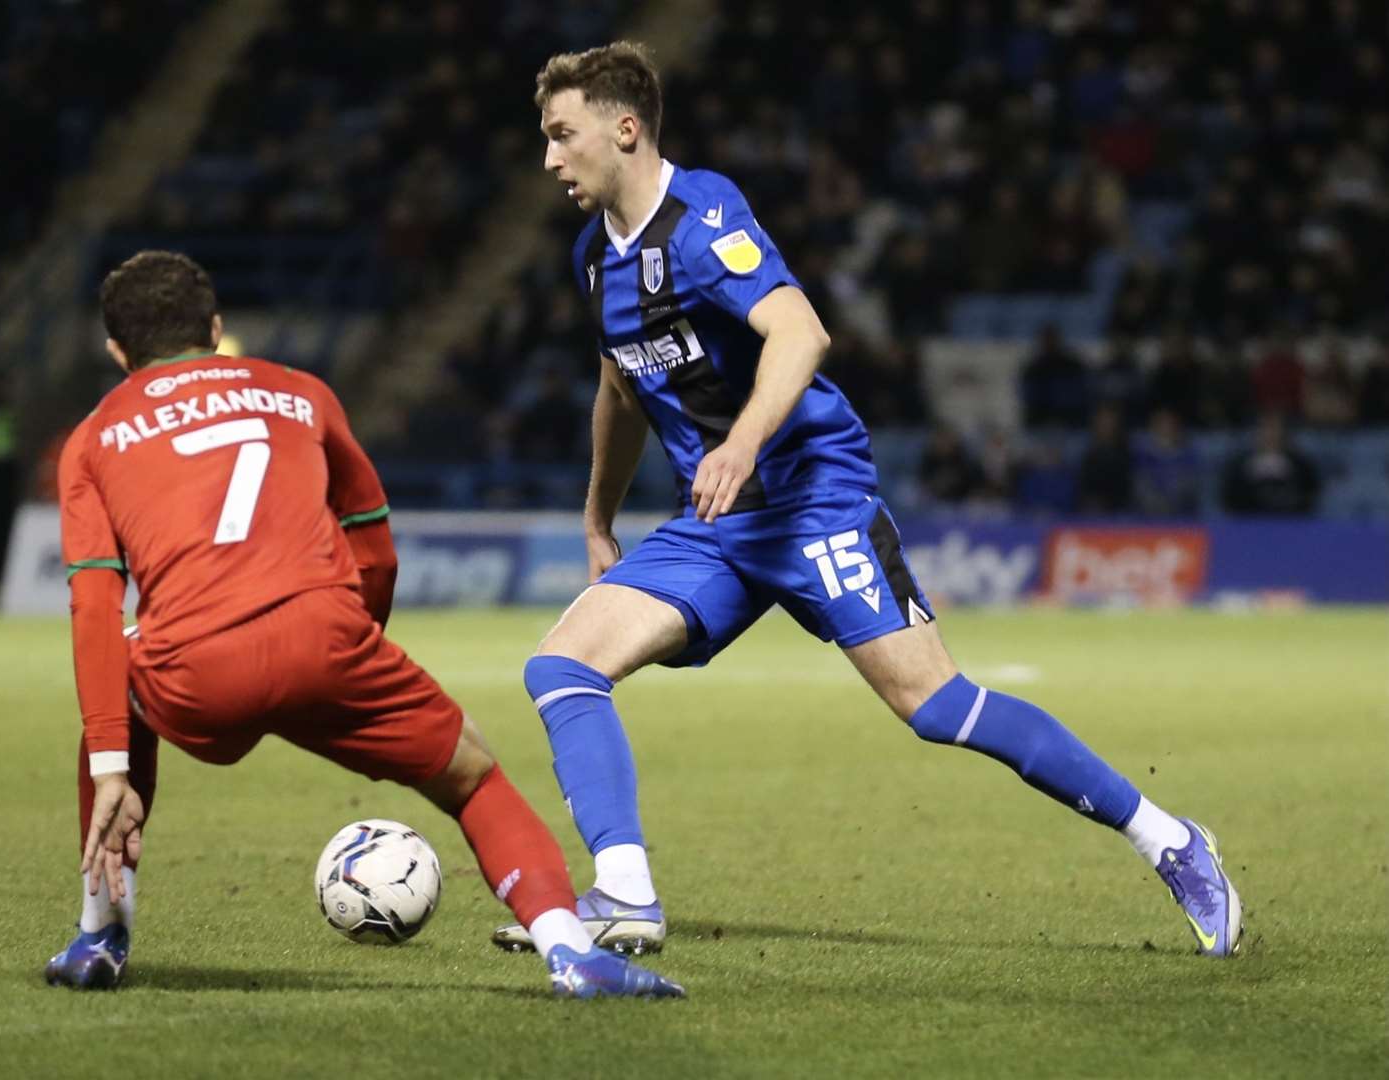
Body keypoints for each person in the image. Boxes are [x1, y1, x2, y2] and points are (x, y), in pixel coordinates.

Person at [492, 42, 1241, 958]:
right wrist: (598, 516)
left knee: (936, 706)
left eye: (563, 136)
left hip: (812, 499)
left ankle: (1170, 840)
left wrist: (740, 442)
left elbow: (801, 333)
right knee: (561, 667)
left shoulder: (702, 215)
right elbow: (618, 387)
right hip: (719, 524)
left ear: (625, 128)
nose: (550, 159)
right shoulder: (594, 260)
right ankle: (627, 895)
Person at [44, 251, 682, 999]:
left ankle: (99, 935)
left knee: (119, 678)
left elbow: (93, 606)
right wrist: (354, 652)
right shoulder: (300, 392)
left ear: (118, 353)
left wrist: (111, 768)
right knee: (475, 776)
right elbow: (374, 546)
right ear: (216, 330)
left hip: (195, 673)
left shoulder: (92, 438)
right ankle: (571, 953)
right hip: (327, 640)